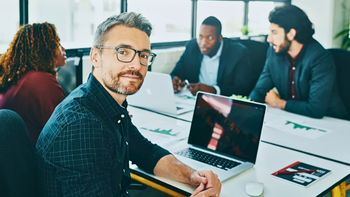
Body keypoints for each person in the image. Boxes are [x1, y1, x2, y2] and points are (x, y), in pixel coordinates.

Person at [35, 12, 221, 197]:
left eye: (144, 55)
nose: (136, 64)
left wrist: (192, 176)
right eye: (123, 52)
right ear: (95, 56)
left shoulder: (107, 104)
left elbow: (146, 152)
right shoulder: (81, 126)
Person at [249, 5, 349, 120]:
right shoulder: (274, 53)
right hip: (292, 117)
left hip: (330, 122)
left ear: (291, 34)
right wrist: (248, 108)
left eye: (274, 32)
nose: (269, 39)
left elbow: (315, 109)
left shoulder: (319, 58)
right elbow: (259, 90)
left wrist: (279, 103)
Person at [0, 22, 66, 145]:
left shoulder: (16, 79)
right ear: (45, 48)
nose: (63, 49)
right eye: (58, 43)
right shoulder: (42, 81)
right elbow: (66, 131)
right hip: (35, 160)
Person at [171, 16, 253, 97]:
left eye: (210, 38)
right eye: (201, 37)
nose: (203, 43)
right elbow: (176, 73)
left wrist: (214, 90)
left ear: (220, 38)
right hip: (193, 101)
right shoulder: (192, 47)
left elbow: (242, 88)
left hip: (223, 103)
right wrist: (175, 80)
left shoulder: (238, 52)